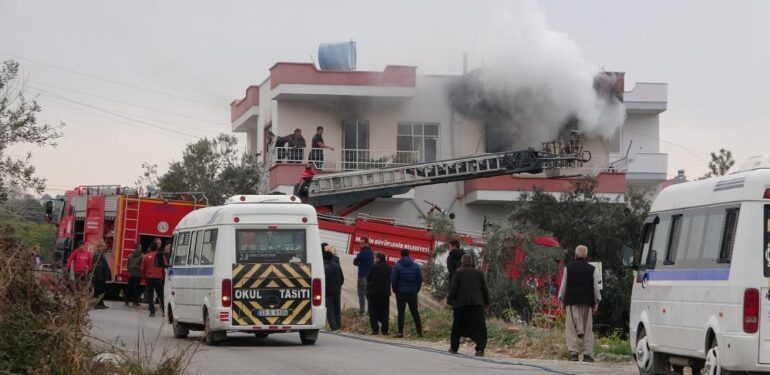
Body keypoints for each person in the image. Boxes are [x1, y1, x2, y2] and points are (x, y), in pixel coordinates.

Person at [558, 245, 601, 363]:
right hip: (587, 303)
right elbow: (595, 288)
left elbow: (563, 286)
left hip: (571, 302)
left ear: (575, 255)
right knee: (588, 329)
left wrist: (561, 301)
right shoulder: (592, 269)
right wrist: (596, 303)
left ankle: (573, 354)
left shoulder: (568, 268)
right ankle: (587, 355)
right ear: (586, 255)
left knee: (571, 329)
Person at [447, 254, 490, 357]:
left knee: (457, 327)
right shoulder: (479, 273)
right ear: (471, 262)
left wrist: (450, 300)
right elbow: (485, 289)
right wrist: (487, 302)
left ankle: (454, 348)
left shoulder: (458, 273)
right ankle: (480, 350)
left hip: (461, 305)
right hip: (476, 304)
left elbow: (453, 289)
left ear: (462, 262)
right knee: (480, 328)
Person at [391, 248, 423, 338]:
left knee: (401, 312)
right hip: (412, 292)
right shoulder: (416, 266)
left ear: (400, 255)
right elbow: (420, 280)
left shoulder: (397, 266)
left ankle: (400, 333)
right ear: (409, 255)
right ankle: (419, 332)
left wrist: (395, 290)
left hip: (400, 292)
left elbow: (393, 280)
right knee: (415, 312)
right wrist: (416, 290)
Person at [366, 252, 392, 335]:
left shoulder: (372, 267)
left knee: (372, 311)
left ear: (378, 258)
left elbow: (368, 278)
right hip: (384, 293)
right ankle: (385, 330)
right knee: (385, 312)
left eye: (375, 258)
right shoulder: (389, 268)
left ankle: (375, 330)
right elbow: (390, 280)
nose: (374, 259)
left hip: (373, 293)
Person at [142, 241, 165, 317]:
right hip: (158, 278)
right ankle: (163, 312)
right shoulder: (161, 256)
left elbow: (143, 269)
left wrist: (145, 278)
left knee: (150, 295)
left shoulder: (146, 256)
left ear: (150, 248)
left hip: (149, 278)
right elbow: (165, 266)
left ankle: (152, 312)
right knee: (160, 295)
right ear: (157, 248)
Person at [323, 250, 344, 331]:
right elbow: (342, 279)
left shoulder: (324, 267)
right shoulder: (338, 266)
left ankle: (334, 328)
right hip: (337, 291)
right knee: (337, 310)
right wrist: (338, 286)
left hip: (328, 292)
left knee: (330, 310)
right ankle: (338, 327)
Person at [353, 237, 374, 316]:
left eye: (362, 243)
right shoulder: (371, 253)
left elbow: (354, 262)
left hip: (362, 276)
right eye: (360, 243)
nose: (360, 245)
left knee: (361, 294)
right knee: (368, 295)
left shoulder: (362, 252)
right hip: (369, 277)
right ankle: (370, 312)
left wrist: (360, 265)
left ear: (366, 244)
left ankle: (362, 312)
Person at [92, 241, 112, 309]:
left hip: (101, 276)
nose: (104, 248)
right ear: (98, 247)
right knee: (98, 291)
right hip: (98, 277)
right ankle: (97, 304)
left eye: (104, 246)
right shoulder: (97, 254)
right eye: (102, 246)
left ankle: (101, 303)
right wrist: (101, 276)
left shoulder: (101, 254)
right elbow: (98, 267)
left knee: (102, 290)